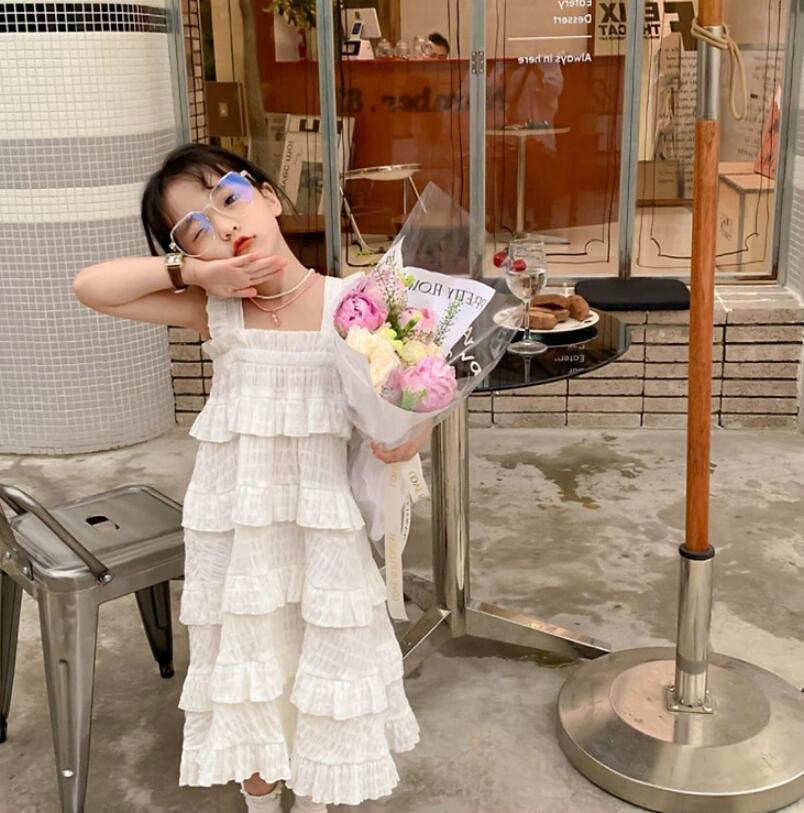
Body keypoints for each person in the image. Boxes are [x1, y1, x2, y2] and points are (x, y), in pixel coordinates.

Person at [73, 143, 425, 813]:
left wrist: (414, 431)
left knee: (325, 651)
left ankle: (318, 792)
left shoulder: (355, 302)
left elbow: (414, 390)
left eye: (229, 198)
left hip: (324, 521)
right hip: (239, 527)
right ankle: (260, 795)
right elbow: (90, 286)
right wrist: (192, 273)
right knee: (251, 655)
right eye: (195, 228)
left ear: (269, 196)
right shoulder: (214, 310)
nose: (224, 224)